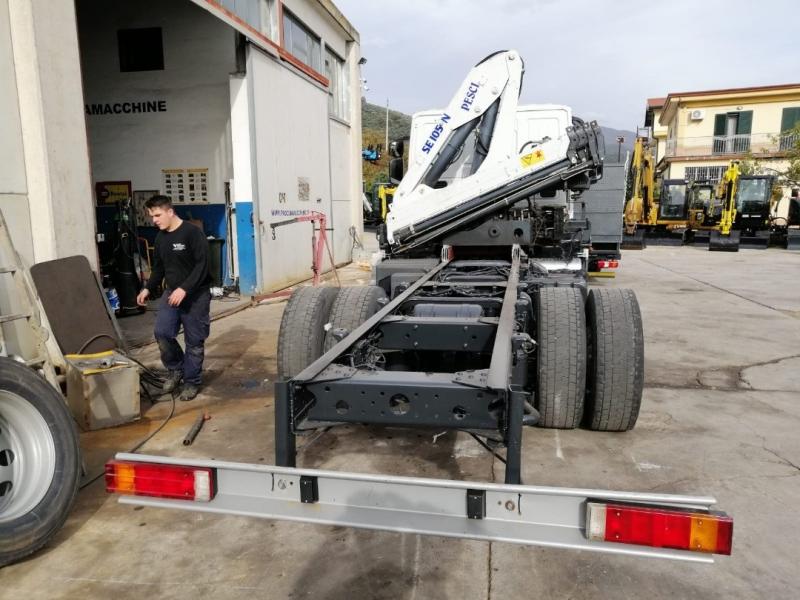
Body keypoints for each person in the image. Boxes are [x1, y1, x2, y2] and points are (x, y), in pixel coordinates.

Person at [136, 195, 211, 401]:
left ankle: (191, 382)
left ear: (170, 212)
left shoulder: (193, 233)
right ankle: (176, 369)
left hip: (196, 295)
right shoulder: (160, 238)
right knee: (162, 332)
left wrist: (185, 289)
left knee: (194, 341)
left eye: (158, 215)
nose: (154, 220)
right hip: (172, 293)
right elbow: (159, 268)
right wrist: (148, 288)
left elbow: (202, 266)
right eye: (152, 216)